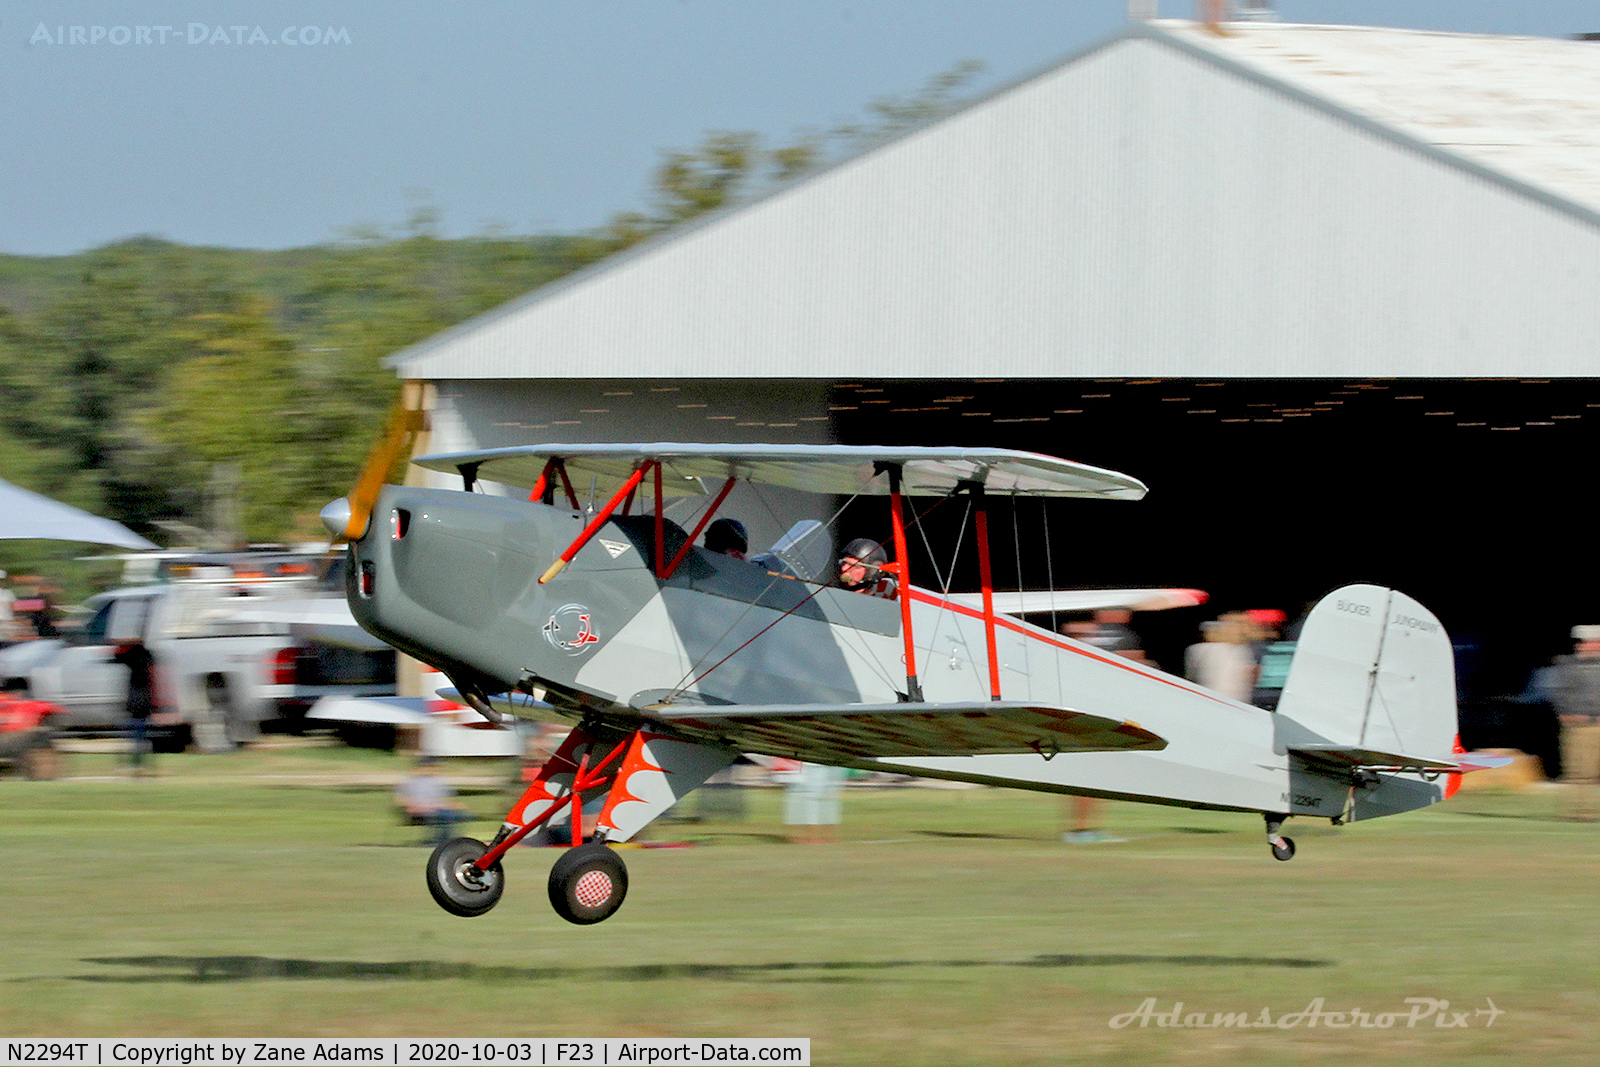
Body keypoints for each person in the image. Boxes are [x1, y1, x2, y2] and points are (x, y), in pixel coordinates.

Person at [1061, 609, 1142, 843]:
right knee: (1096, 770)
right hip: (1103, 709)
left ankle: (1081, 827)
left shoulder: (1081, 632)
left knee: (1082, 771)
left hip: (1077, 708)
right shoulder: (1123, 636)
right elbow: (1133, 669)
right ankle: (1083, 829)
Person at [1547, 625, 1600, 821]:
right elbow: (1560, 693)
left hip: (1597, 724)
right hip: (1579, 727)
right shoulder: (1566, 665)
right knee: (1578, 772)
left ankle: (1589, 812)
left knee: (1593, 773)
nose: (1592, 646)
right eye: (1588, 642)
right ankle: (1576, 812)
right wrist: (1567, 714)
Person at [396, 756, 471, 847]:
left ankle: (448, 841)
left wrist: (455, 805)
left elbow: (447, 800)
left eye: (432, 766)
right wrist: (413, 806)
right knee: (445, 816)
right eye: (428, 766)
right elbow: (399, 799)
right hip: (419, 812)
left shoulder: (437, 782)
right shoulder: (411, 782)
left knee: (458, 814)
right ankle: (442, 842)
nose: (431, 769)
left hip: (438, 810)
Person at [112, 638, 156, 775]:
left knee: (133, 734)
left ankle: (132, 762)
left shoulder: (131, 657)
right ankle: (140, 763)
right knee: (141, 734)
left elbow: (117, 656)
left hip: (134, 701)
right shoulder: (147, 657)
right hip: (145, 701)